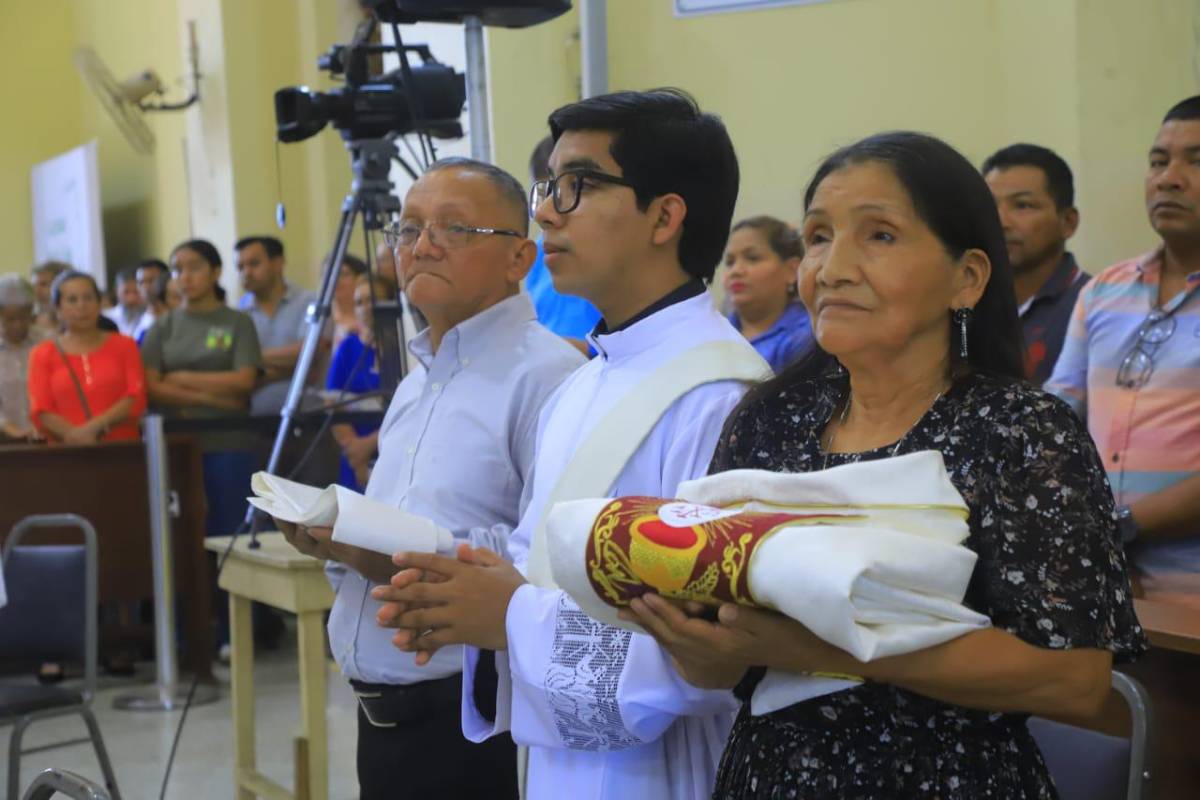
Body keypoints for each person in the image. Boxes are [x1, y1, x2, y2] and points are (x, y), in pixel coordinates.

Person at [616, 131, 1146, 799]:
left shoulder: (1021, 432)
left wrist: (814, 649)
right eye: (816, 236)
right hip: (770, 776)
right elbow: (723, 674)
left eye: (880, 236)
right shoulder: (768, 420)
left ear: (967, 278)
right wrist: (693, 638)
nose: (832, 267)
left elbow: (1071, 679)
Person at [373, 89, 769, 800]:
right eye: (548, 187)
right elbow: (543, 568)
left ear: (665, 215)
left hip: (668, 774)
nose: (547, 210)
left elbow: (715, 650)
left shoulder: (723, 396)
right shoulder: (584, 384)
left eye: (577, 186)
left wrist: (509, 615)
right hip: (564, 768)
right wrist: (458, 584)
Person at [278, 157, 584, 799]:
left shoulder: (548, 377)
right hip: (379, 714)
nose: (422, 246)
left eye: (454, 229)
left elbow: (550, 557)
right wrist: (338, 542)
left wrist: (391, 549)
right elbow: (400, 523)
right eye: (409, 228)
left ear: (519, 257)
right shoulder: (419, 379)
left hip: (472, 717)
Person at [1047, 96, 1200, 607]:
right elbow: (1057, 425)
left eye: (1196, 161)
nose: (1169, 178)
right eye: (1159, 161)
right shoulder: (1105, 290)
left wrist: (1119, 529)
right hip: (1105, 589)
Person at [141, 239, 262, 538]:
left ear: (216, 272)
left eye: (194, 268)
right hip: (177, 442)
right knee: (182, 531)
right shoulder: (162, 327)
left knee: (231, 527)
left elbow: (244, 380)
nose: (185, 277)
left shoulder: (238, 322)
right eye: (177, 269)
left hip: (229, 441)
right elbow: (152, 387)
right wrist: (211, 397)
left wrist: (180, 378)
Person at [983, 144, 1088, 384]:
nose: (1001, 221)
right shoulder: (965, 303)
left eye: (1023, 205)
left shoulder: (1094, 304)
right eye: (989, 206)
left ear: (1068, 222)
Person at [28, 270, 146, 443]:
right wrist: (75, 435)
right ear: (58, 309)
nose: (81, 306)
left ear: (99, 304)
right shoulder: (42, 353)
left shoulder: (125, 345)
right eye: (72, 300)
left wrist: (93, 428)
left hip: (121, 449)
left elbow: (136, 396)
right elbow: (40, 408)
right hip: (64, 452)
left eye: (88, 298)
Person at [523, 134, 601, 354]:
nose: (544, 213)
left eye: (571, 192)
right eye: (543, 194)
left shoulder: (608, 252)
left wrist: (580, 350)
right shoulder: (538, 251)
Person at [235, 235, 320, 416]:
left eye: (254, 264)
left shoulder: (310, 302)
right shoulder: (237, 313)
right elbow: (233, 366)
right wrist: (287, 368)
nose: (246, 273)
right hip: (252, 416)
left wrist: (249, 358)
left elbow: (307, 354)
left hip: (307, 413)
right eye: (240, 267)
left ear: (278, 263)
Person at [326, 271, 395, 490]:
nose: (365, 307)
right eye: (359, 302)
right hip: (354, 453)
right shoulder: (348, 347)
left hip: (393, 447)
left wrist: (370, 444)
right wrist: (356, 452)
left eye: (371, 300)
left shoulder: (402, 348)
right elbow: (333, 403)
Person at [722, 215, 812, 372]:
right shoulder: (716, 329)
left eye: (752, 258)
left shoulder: (806, 337)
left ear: (792, 270)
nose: (735, 271)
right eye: (730, 262)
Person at [0, 275, 40, 441]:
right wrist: (11, 429)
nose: (17, 325)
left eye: (23, 318)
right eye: (10, 319)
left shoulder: (48, 343)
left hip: (45, 436)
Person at [331, 253, 368, 350]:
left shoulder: (368, 317)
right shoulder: (323, 318)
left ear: (360, 279)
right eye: (332, 274)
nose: (336, 280)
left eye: (344, 274)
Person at [131, 258, 171, 342]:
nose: (145, 287)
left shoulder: (179, 315)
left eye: (151, 281)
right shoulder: (137, 319)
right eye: (141, 282)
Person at [102, 268, 146, 337]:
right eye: (126, 292)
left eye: (136, 292)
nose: (131, 299)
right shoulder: (106, 318)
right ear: (116, 291)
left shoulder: (151, 318)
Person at [30, 260, 69, 336]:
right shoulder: (28, 322)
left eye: (43, 284)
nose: (36, 290)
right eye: (34, 285)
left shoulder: (80, 321)